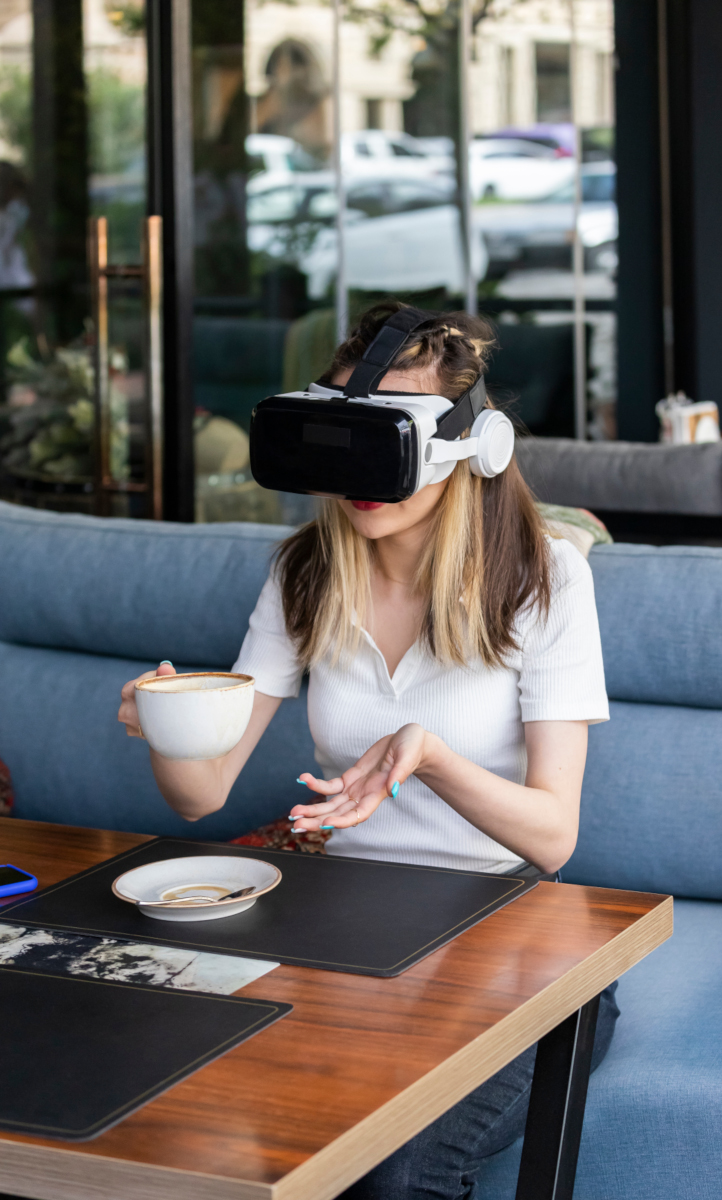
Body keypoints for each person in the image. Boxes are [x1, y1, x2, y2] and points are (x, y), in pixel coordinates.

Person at [118, 301, 617, 1199]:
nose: (359, 475)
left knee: (400, 1168)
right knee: (176, 1091)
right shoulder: (304, 573)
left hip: (510, 938)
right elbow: (200, 797)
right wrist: (167, 724)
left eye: (388, 443)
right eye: (342, 438)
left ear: (476, 446)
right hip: (349, 927)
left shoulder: (545, 578)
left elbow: (552, 839)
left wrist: (429, 755)